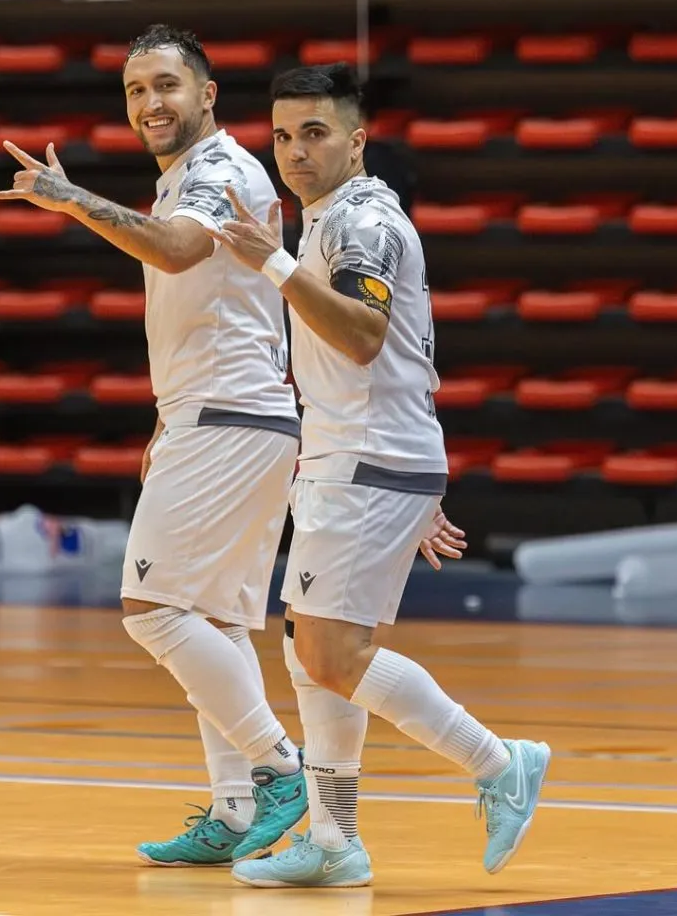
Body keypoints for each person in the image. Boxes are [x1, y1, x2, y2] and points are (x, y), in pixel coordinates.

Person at [206, 62, 551, 888]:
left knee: (331, 652)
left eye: (315, 133)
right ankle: (334, 842)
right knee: (308, 648)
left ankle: (499, 761)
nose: (294, 151)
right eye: (282, 135)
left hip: (369, 456)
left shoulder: (362, 223)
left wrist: (274, 266)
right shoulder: (330, 216)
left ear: (357, 141)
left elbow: (362, 335)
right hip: (357, 454)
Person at [0, 24, 308, 866]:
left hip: (233, 419)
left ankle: (279, 767)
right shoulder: (186, 179)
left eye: (165, 85)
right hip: (223, 417)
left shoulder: (220, 173)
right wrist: (167, 421)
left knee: (153, 610)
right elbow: (212, 307)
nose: (148, 104)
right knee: (214, 619)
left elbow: (174, 255)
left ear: (207, 95)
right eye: (135, 91)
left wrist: (72, 200)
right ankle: (239, 815)